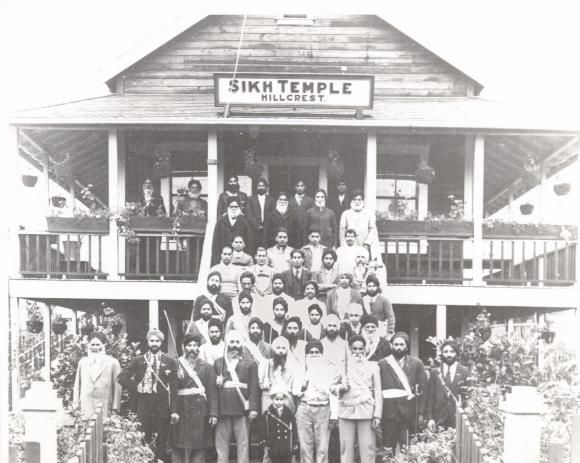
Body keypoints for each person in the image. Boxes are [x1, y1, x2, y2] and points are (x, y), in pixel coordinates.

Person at [117, 329, 178, 462]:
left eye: (157, 341)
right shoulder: (138, 360)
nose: (154, 343)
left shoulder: (170, 362)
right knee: (143, 439)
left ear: (161, 342)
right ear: (148, 342)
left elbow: (173, 389)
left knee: (162, 440)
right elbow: (121, 377)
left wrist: (173, 411)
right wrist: (136, 387)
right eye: (152, 340)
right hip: (143, 404)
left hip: (162, 406)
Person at [331, 335, 382, 463]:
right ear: (350, 349)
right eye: (354, 349)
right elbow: (331, 386)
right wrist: (341, 388)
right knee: (345, 448)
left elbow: (378, 392)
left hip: (366, 411)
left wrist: (377, 415)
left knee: (368, 448)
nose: (358, 352)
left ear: (365, 349)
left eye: (361, 349)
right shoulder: (343, 366)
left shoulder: (373, 367)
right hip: (346, 411)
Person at [214, 330, 260, 463]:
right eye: (232, 342)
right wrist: (217, 382)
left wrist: (253, 408)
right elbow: (212, 388)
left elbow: (254, 387)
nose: (234, 345)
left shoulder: (250, 363)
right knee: (221, 444)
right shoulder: (218, 363)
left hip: (242, 408)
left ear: (241, 344)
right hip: (223, 408)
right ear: (227, 344)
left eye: (237, 342)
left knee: (243, 443)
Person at [378, 332, 427, 456]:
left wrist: (421, 413)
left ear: (406, 346)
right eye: (396, 344)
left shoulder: (417, 363)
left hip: (408, 414)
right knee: (388, 450)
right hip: (388, 414)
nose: (398, 347)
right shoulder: (383, 364)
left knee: (408, 449)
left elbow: (423, 391)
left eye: (401, 344)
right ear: (391, 345)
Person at [171, 333, 218, 463]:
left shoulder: (207, 367)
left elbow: (212, 392)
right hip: (181, 409)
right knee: (179, 444)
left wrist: (213, 413)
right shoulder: (175, 364)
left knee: (199, 445)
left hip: (199, 410)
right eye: (190, 345)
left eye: (196, 345)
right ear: (184, 348)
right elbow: (171, 391)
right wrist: (177, 377)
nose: (193, 348)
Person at [295, 339, 341, 463]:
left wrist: (334, 414)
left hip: (323, 408)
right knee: (305, 446)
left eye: (317, 352)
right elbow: (294, 390)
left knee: (322, 446)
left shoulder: (328, 370)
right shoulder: (301, 369)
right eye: (311, 352)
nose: (314, 354)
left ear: (322, 354)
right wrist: (302, 387)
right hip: (305, 408)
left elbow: (332, 393)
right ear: (306, 355)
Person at [73, 332, 121, 418]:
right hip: (86, 406)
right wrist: (76, 403)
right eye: (93, 345)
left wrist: (115, 408)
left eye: (98, 345)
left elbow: (117, 387)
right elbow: (77, 384)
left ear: (104, 345)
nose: (95, 348)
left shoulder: (113, 363)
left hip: (104, 407)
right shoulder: (82, 362)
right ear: (88, 345)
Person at [426, 340, 470, 430]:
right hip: (438, 418)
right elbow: (430, 397)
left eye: (452, 351)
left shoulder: (464, 372)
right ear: (442, 354)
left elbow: (468, 396)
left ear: (456, 353)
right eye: (446, 352)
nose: (449, 355)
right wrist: (430, 418)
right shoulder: (435, 372)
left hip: (457, 418)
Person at [260, 384, 299, 463]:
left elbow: (294, 428)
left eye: (281, 399)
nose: (279, 402)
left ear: (284, 399)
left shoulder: (289, 413)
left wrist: (295, 441)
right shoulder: (267, 414)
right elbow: (263, 429)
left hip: (286, 446)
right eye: (276, 399)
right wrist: (265, 444)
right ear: (272, 398)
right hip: (274, 446)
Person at [212, 197, 254, 266]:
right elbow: (216, 244)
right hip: (224, 260)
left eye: (236, 206)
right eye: (231, 206)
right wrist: (217, 261)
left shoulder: (245, 222)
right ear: (227, 208)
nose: (233, 208)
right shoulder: (220, 222)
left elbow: (249, 242)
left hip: (240, 261)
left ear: (239, 208)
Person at [261, 336, 297, 414]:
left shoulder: (292, 366)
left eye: (283, 348)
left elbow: (294, 386)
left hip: (286, 401)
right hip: (268, 400)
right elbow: (260, 383)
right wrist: (264, 384)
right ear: (273, 349)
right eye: (278, 348)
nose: (281, 351)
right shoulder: (266, 364)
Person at [339, 190, 379, 258]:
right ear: (351, 201)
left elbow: (372, 230)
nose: (357, 202)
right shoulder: (345, 214)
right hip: (350, 245)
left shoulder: (368, 214)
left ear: (363, 201)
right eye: (355, 199)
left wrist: (367, 243)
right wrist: (344, 246)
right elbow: (342, 231)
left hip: (364, 245)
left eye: (359, 200)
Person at [247, 177, 275, 243]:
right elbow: (249, 214)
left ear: (266, 187)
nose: (261, 187)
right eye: (259, 186)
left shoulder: (271, 199)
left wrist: (267, 226)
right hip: (254, 229)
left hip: (267, 229)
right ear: (256, 187)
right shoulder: (250, 199)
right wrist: (257, 226)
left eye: (263, 186)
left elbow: (273, 213)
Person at [288, 179, 315, 247]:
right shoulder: (290, 200)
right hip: (294, 231)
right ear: (295, 187)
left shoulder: (310, 200)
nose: (300, 188)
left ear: (305, 187)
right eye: (298, 186)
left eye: (302, 186)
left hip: (306, 230)